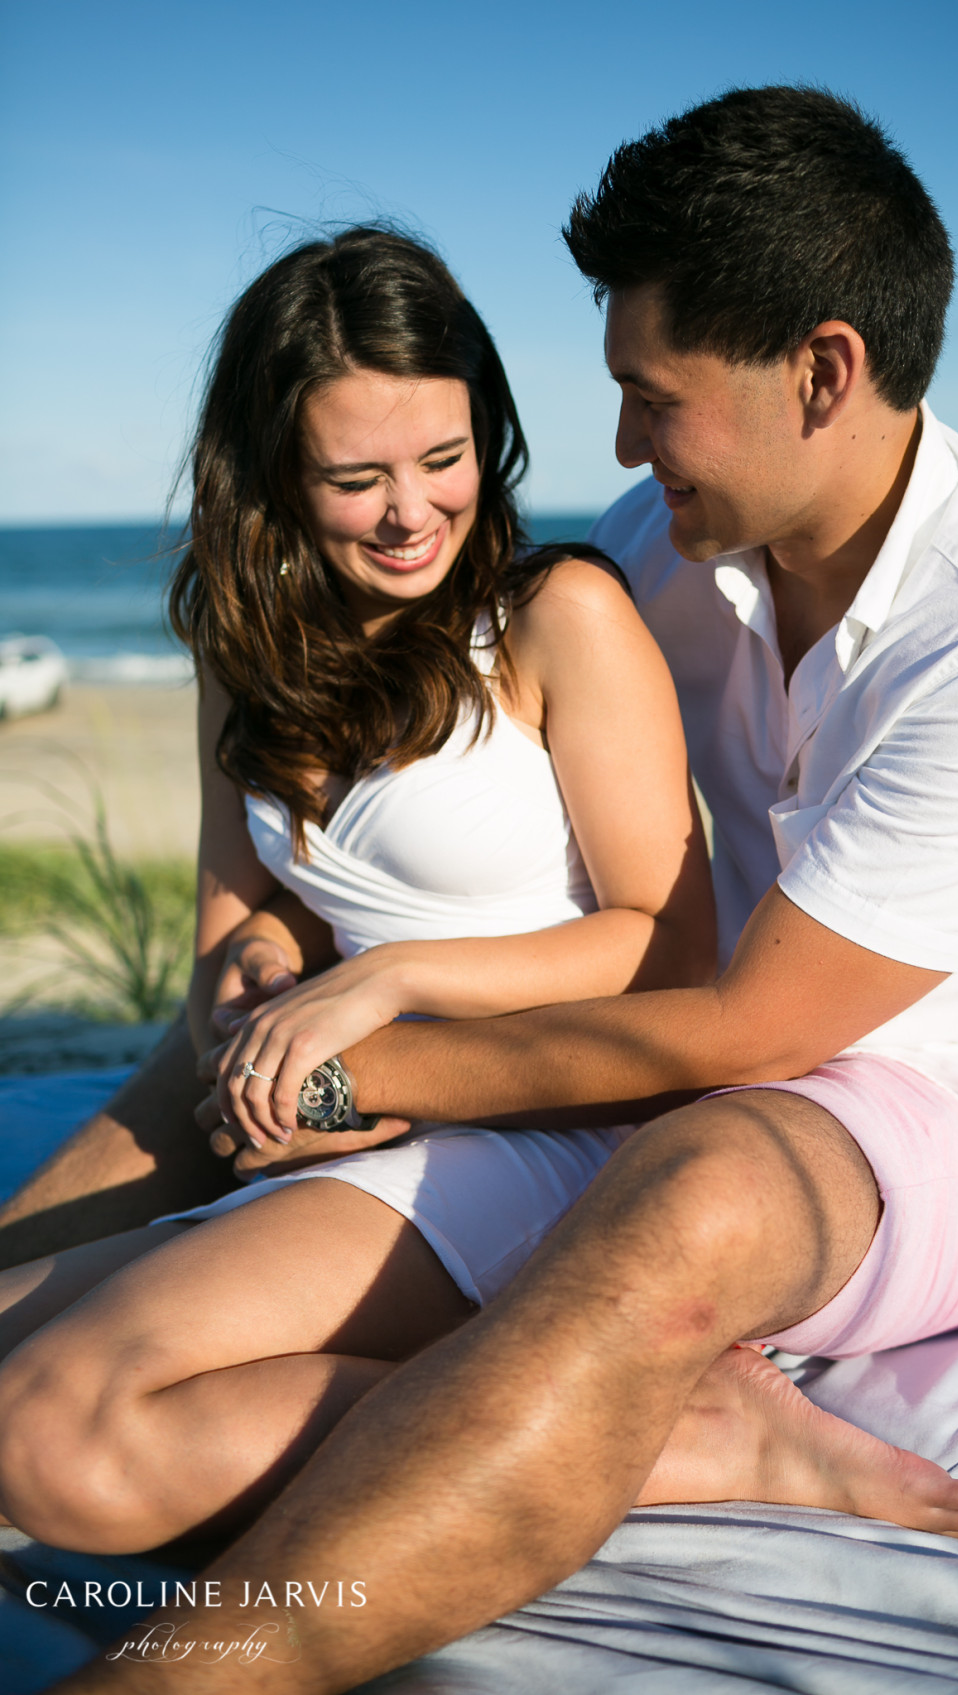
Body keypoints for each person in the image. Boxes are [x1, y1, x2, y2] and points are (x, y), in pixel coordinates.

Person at [13, 83, 958, 1692]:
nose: (614, 443)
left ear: (822, 371)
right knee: (133, 1223)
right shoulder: (660, 546)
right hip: (629, 1066)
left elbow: (747, 1022)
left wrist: (364, 1068)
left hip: (908, 1118)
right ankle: (638, 1413)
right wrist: (281, 981)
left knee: (695, 1185)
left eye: (652, 395)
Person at [0, 224, 716, 1550]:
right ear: (274, 471)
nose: (411, 512)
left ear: (485, 436)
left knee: (45, 1433)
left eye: (443, 460)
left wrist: (386, 978)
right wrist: (258, 993)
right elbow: (238, 925)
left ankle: (684, 1438)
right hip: (334, 1117)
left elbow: (668, 952)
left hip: (545, 1131)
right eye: (355, 477)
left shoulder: (556, 616)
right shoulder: (243, 638)